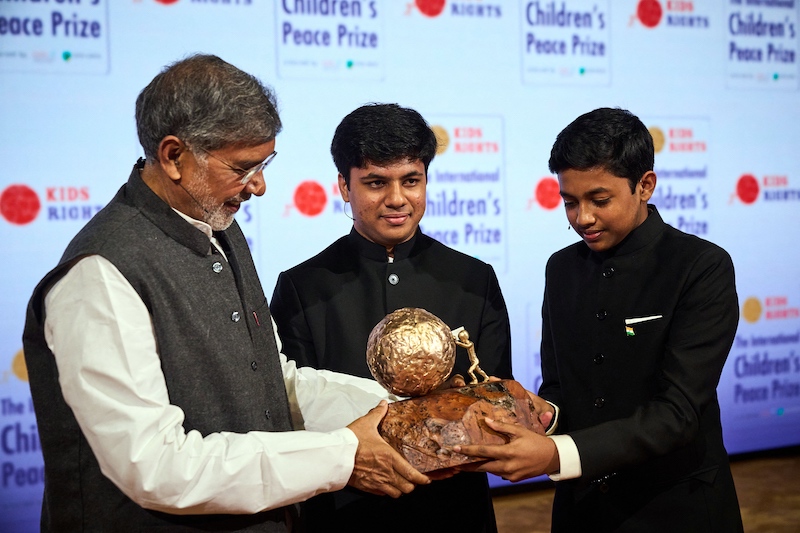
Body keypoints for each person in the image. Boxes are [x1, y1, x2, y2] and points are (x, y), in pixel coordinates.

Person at [21, 54, 432, 532]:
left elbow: (270, 384)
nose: (258, 185)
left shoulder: (219, 226)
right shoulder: (100, 272)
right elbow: (156, 467)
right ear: (175, 157)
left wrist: (400, 409)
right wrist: (341, 455)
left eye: (264, 163)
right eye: (243, 167)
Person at [454, 108, 744, 532]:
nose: (582, 218)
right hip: (582, 511)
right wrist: (540, 413)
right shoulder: (561, 268)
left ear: (644, 185)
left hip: (675, 508)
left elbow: (678, 413)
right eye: (569, 202)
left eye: (599, 200)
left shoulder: (701, 267)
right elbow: (560, 387)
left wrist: (556, 455)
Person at [270, 103, 513, 532]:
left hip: (453, 512)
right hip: (345, 513)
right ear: (345, 187)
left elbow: (496, 401)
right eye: (376, 183)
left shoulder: (473, 280)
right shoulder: (301, 288)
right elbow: (291, 417)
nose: (397, 199)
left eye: (411, 181)